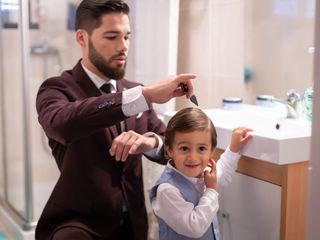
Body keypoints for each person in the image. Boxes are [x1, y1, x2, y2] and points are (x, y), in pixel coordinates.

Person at [35, 0, 196, 239]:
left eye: (127, 37)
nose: (123, 47)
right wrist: (145, 95)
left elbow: (167, 146)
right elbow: (62, 124)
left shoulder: (134, 90)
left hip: (133, 225)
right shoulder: (57, 89)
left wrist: (150, 142)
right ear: (82, 38)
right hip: (79, 226)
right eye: (111, 37)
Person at [149, 107, 253, 240]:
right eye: (184, 148)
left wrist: (233, 148)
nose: (193, 157)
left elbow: (223, 173)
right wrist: (210, 190)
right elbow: (194, 227)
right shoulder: (167, 190)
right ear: (169, 150)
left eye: (201, 148)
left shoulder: (203, 173)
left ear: (211, 151)